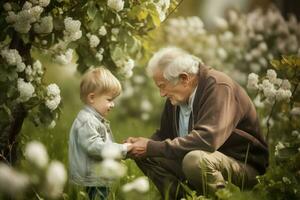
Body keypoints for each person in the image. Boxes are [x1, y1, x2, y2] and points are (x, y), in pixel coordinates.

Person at [125, 47, 269, 199]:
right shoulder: (177, 97)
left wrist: (151, 147)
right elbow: (164, 136)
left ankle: (221, 197)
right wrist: (137, 145)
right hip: (203, 162)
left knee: (194, 160)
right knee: (146, 154)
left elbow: (207, 139)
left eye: (162, 86)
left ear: (184, 79)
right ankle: (179, 198)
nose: (162, 94)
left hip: (244, 168)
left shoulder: (218, 86)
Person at [68, 67, 132, 200]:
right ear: (92, 98)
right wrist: (121, 149)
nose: (113, 104)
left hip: (95, 176)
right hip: (92, 178)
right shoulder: (87, 121)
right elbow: (94, 146)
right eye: (109, 100)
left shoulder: (93, 119)